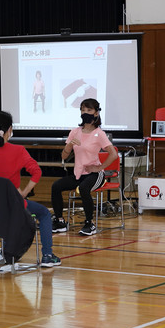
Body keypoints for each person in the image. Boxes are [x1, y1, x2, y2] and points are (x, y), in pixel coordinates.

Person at [0, 111, 61, 267]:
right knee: (44, 213)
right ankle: (47, 255)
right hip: (12, 205)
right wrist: (24, 193)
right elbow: (37, 172)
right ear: (10, 130)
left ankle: (7, 251)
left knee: (11, 213)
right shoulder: (18, 151)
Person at [51, 98, 116, 236]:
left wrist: (99, 168)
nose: (85, 112)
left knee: (84, 188)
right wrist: (68, 146)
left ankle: (89, 223)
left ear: (96, 113)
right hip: (78, 173)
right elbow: (63, 156)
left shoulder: (99, 133)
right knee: (56, 186)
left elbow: (113, 154)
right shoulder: (75, 132)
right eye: (82, 110)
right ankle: (60, 221)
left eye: (89, 110)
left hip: (95, 174)